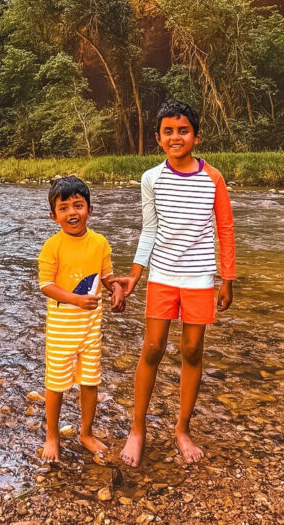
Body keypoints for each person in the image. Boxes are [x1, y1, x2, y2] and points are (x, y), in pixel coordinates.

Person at [115, 101, 236, 466]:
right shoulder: (151, 178)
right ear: (158, 138)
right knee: (153, 348)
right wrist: (135, 274)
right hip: (162, 276)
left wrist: (227, 278)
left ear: (196, 137)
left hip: (199, 278)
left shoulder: (213, 177)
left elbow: (225, 229)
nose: (175, 137)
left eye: (183, 131)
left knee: (193, 350)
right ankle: (137, 429)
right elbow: (149, 229)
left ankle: (182, 429)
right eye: (168, 131)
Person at [38, 175, 126, 462]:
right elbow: (46, 285)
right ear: (53, 216)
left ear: (90, 209)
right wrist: (75, 299)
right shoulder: (53, 246)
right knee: (56, 383)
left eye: (78, 205)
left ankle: (86, 433)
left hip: (91, 327)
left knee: (90, 381)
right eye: (63, 208)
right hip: (61, 329)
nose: (71, 213)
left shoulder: (99, 243)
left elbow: (107, 276)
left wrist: (116, 288)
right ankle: (52, 436)